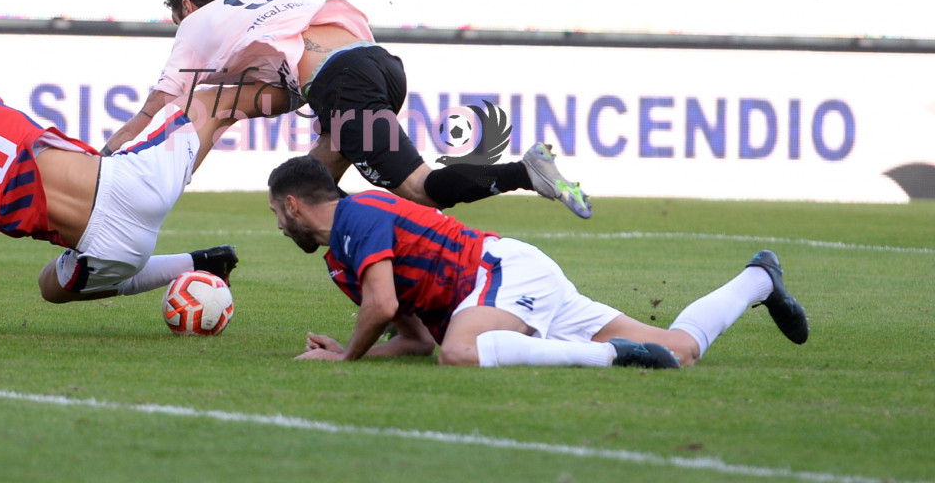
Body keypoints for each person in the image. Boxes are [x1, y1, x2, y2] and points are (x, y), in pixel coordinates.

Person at [103, 0, 592, 220]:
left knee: (421, 190)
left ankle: (523, 172)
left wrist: (106, 162)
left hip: (344, 84)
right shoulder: (264, 2)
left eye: (176, 18)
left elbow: (157, 110)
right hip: (377, 64)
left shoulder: (198, 23)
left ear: (188, 7)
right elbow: (261, 96)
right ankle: (400, 295)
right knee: (305, 195)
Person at [266, 155, 809, 368]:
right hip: (502, 292)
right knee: (681, 351)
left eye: (276, 213)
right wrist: (354, 350)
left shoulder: (359, 214)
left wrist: (348, 358)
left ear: (293, 205)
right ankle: (757, 279)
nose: (278, 226)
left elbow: (383, 306)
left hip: (499, 275)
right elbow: (416, 339)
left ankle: (613, 357)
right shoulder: (341, 263)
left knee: (462, 352)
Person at [0, 81, 288, 335]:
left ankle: (196, 263)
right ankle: (311, 89)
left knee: (49, 286)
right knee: (218, 103)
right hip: (133, 180)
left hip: (117, 250)